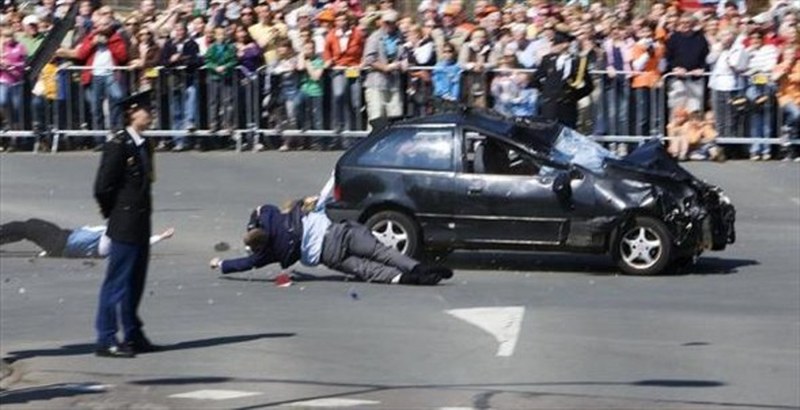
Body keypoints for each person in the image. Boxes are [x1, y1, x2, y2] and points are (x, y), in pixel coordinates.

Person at [209, 178, 454, 285]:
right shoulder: (280, 216)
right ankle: (417, 268)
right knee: (382, 252)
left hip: (328, 256)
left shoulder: (267, 253)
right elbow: (265, 208)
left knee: (367, 269)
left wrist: (221, 264)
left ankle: (406, 279)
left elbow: (244, 263)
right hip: (338, 233)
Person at [93, 90, 158, 358]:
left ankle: (132, 332)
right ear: (132, 112)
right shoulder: (119, 144)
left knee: (136, 282)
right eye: (146, 110)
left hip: (141, 221)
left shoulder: (144, 145)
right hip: (124, 221)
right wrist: (115, 215)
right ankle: (106, 336)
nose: (150, 114)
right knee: (116, 282)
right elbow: (102, 187)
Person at [1, 218, 173, 258]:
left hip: (61, 240)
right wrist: (161, 237)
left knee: (26, 226)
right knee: (26, 228)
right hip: (63, 239)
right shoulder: (112, 247)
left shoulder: (108, 243)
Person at [533, 31, 594, 129]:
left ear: (565, 45)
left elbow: (588, 86)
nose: (552, 46)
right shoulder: (547, 60)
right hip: (550, 106)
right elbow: (536, 79)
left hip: (568, 106)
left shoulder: (577, 61)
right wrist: (547, 93)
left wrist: (573, 96)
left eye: (556, 44)